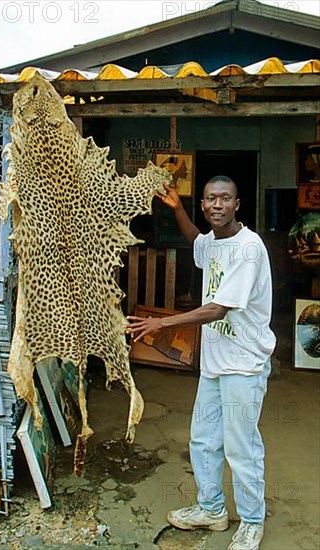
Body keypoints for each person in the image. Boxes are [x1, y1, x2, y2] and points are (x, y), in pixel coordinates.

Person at [126, 176, 276, 550]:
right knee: (205, 440)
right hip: (215, 362)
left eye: (225, 198)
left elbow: (218, 308)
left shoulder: (249, 249)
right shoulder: (213, 242)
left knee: (241, 446)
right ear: (205, 204)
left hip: (244, 363)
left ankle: (252, 522)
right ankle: (212, 509)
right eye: (210, 199)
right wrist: (178, 209)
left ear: (237, 204)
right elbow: (197, 242)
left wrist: (162, 322)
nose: (217, 205)